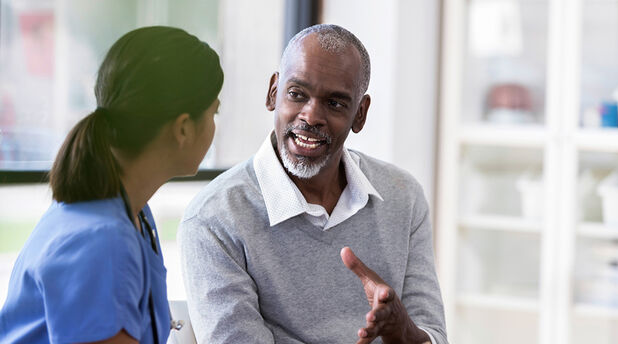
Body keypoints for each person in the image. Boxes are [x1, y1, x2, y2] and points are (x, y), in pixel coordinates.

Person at [178, 24, 447, 344]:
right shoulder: (215, 218)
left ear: (360, 115)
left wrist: (404, 332)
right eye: (297, 94)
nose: (311, 116)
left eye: (334, 103)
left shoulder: (403, 197)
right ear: (273, 93)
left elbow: (433, 335)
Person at [0, 26, 223, 344]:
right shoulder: (100, 242)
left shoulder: (132, 210)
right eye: (215, 112)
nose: (215, 126)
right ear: (184, 128)